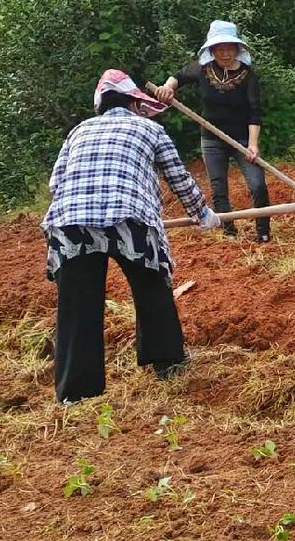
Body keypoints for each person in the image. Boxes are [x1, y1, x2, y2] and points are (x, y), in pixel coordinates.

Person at [42, 70, 220, 405]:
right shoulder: (150, 129)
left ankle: (76, 394)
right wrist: (203, 214)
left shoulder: (79, 130)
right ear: (135, 104)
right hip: (130, 217)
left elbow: (56, 183)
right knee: (152, 287)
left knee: (77, 304)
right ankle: (167, 363)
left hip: (71, 222)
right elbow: (178, 178)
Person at [153, 20, 272, 243]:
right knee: (218, 188)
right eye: (220, 49)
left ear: (237, 49)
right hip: (211, 140)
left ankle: (263, 233)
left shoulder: (248, 76)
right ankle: (229, 233)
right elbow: (178, 77)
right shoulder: (202, 70)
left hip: (242, 139)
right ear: (212, 50)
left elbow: (254, 113)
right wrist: (167, 88)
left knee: (258, 185)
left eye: (229, 48)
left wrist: (253, 144)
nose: (225, 54)